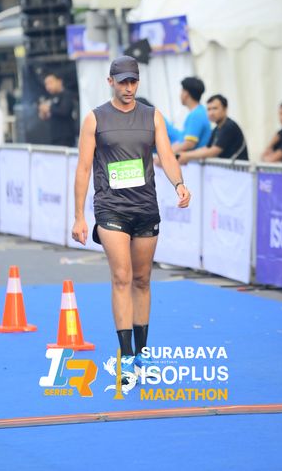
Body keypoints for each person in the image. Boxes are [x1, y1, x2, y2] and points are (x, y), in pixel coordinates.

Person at [72, 55, 191, 386]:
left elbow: (166, 155)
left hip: (145, 207)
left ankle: (142, 356)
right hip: (110, 208)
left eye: (133, 81)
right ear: (110, 82)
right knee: (122, 277)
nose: (128, 87)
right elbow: (83, 168)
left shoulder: (152, 116)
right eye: (122, 81)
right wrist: (79, 216)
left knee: (142, 280)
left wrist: (179, 184)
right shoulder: (95, 119)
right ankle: (125, 358)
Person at [178, 94, 248, 164]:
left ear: (225, 109)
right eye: (208, 109)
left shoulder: (229, 126)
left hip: (238, 169)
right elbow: (206, 148)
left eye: (215, 108)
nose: (211, 113)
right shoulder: (216, 130)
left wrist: (187, 156)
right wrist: (185, 154)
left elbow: (213, 152)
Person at [170, 76, 212, 154]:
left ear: (186, 93)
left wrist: (166, 154)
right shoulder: (199, 112)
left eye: (182, 91)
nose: (180, 94)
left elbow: (189, 144)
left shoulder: (196, 115)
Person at [38, 72, 76, 147]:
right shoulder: (51, 98)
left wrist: (49, 108)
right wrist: (43, 113)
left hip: (65, 137)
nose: (48, 87)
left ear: (59, 81)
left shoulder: (67, 95)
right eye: (46, 84)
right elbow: (48, 115)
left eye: (50, 82)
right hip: (54, 136)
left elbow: (64, 111)